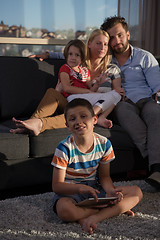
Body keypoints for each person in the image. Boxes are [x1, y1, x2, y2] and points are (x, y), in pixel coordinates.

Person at [51, 98, 143, 235]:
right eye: (72, 119)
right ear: (67, 125)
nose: (78, 121)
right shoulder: (64, 148)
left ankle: (93, 217)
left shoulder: (104, 144)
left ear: (94, 119)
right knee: (65, 211)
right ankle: (109, 209)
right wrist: (80, 188)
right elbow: (57, 186)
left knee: (137, 192)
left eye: (83, 116)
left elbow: (105, 177)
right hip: (70, 191)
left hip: (94, 189)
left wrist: (111, 192)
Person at [10, 29, 124, 135]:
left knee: (113, 96)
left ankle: (39, 124)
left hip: (89, 108)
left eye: (105, 44)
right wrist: (48, 54)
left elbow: (112, 95)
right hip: (71, 101)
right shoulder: (78, 65)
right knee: (53, 93)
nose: (102, 47)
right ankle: (32, 122)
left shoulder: (110, 69)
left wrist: (99, 86)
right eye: (98, 43)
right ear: (89, 44)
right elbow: (68, 56)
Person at [100, 16, 160, 189]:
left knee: (156, 112)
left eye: (119, 35)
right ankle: (155, 165)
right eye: (111, 38)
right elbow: (81, 53)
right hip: (123, 102)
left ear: (127, 34)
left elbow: (157, 86)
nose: (116, 41)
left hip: (146, 99)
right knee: (122, 111)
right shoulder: (105, 60)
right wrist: (49, 54)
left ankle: (155, 169)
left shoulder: (144, 57)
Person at [57, 37, 121, 128]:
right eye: (70, 54)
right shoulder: (65, 68)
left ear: (82, 58)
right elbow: (67, 88)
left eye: (77, 55)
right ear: (66, 55)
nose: (73, 58)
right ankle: (90, 117)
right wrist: (88, 92)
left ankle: (101, 117)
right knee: (113, 95)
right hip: (72, 98)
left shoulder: (84, 71)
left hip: (85, 98)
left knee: (117, 95)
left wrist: (97, 84)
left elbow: (91, 89)